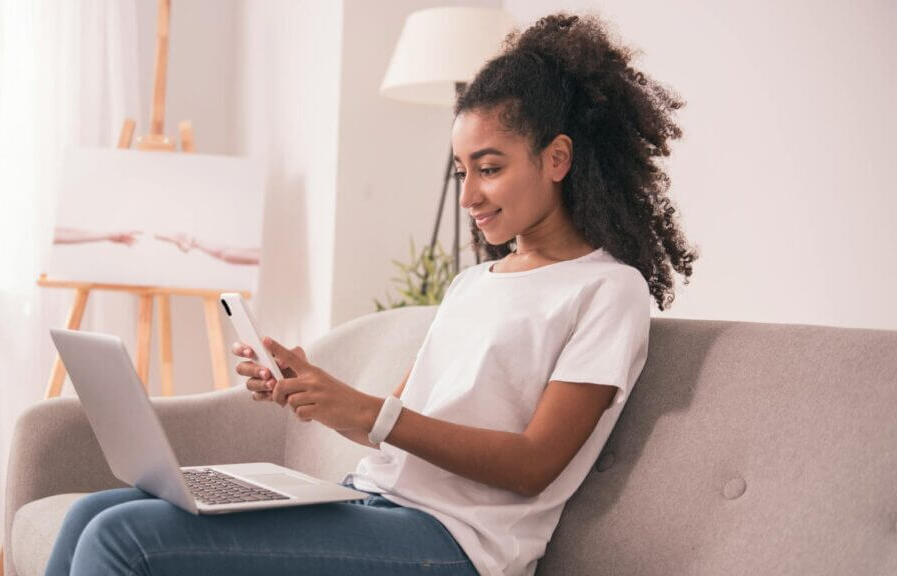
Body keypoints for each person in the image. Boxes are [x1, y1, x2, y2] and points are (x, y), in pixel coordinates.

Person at [43, 11, 697, 576]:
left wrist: (364, 412)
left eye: (490, 169)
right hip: (371, 500)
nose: (469, 195)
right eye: (462, 170)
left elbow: (533, 465)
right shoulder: (475, 284)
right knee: (96, 511)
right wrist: (310, 388)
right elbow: (401, 419)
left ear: (557, 158)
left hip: (455, 547)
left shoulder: (609, 292)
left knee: (121, 536)